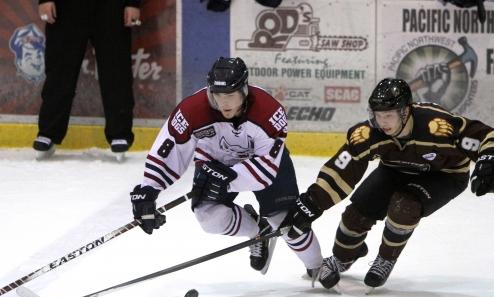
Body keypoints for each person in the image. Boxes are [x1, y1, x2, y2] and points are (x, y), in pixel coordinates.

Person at [283, 78, 494, 291]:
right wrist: (313, 202)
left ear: (405, 112)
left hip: (443, 175)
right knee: (355, 215)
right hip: (395, 171)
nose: (383, 122)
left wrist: (489, 162)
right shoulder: (368, 135)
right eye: (378, 115)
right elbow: (342, 170)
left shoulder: (437, 126)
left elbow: (486, 136)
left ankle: (386, 258)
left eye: (389, 115)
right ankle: (342, 258)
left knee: (404, 206)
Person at [130, 57, 323, 276]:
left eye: (230, 95)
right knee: (209, 218)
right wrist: (148, 189)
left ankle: (317, 266)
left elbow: (267, 169)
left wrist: (228, 181)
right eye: (218, 95)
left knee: (286, 221)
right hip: (215, 161)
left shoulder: (268, 111)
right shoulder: (192, 110)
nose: (224, 103)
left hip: (262, 163)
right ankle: (257, 230)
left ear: (244, 90)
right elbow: (170, 148)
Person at [33, 0, 141, 160]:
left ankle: (120, 133)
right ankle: (48, 132)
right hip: (66, 8)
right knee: (59, 70)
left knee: (116, 70)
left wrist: (132, 2)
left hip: (112, 7)